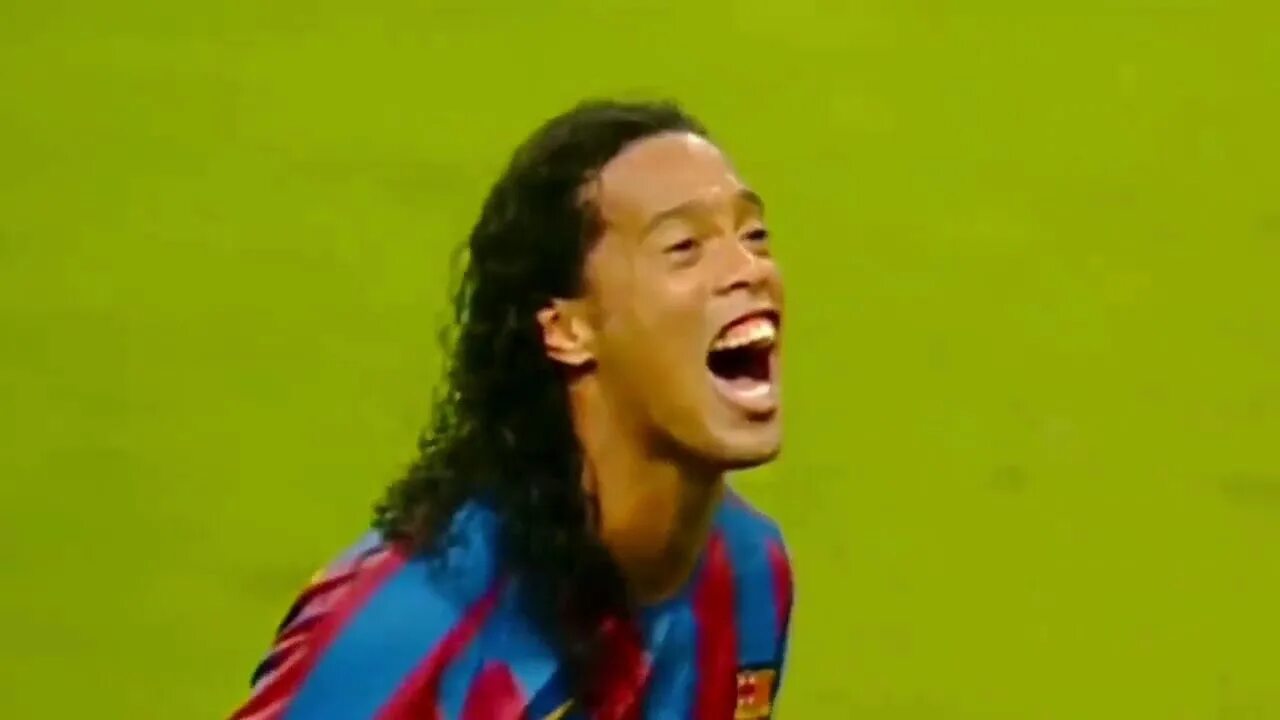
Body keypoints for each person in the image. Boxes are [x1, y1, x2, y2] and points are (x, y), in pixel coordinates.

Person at [230, 99, 793, 720]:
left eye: (754, 236)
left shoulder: (749, 578)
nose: (749, 269)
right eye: (685, 246)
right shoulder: (410, 629)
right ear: (568, 329)